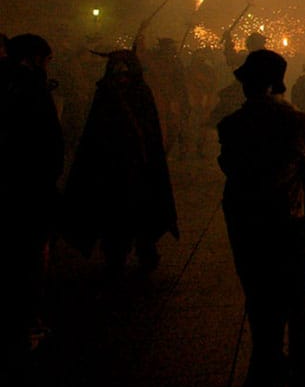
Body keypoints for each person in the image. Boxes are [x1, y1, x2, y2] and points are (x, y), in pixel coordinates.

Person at [218, 49, 305, 387]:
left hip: (246, 225)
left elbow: (229, 168)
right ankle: (298, 370)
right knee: (296, 299)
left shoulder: (231, 125)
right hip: (288, 224)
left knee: (260, 299)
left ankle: (264, 374)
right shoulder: (298, 123)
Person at [62, 49, 179, 273]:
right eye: (117, 71)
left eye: (125, 70)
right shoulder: (106, 93)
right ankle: (115, 253)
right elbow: (95, 132)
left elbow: (150, 131)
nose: (121, 75)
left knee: (143, 210)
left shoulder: (141, 92)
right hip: (111, 167)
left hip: (139, 165)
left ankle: (145, 249)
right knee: (114, 214)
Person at [0, 34, 64, 353]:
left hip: (20, 183)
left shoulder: (13, 84)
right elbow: (42, 140)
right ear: (35, 58)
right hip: (27, 186)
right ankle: (26, 322)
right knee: (28, 257)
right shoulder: (28, 89)